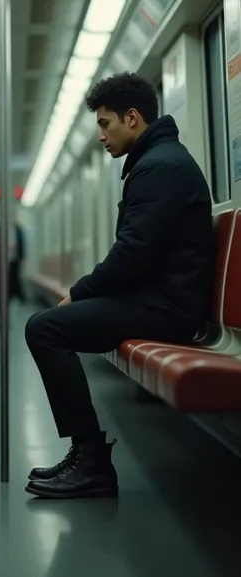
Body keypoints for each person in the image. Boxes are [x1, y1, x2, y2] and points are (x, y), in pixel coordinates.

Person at [24, 72, 214, 500]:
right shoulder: (158, 161)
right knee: (48, 323)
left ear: (132, 118)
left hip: (168, 308)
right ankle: (86, 453)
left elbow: (132, 255)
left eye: (104, 123)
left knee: (45, 328)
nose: (101, 136)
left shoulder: (160, 167)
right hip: (159, 298)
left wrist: (79, 292)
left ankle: (91, 460)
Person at [0, 215, 26, 311]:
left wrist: (21, 260)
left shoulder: (17, 229)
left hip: (13, 264)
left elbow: (22, 246)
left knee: (11, 287)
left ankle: (9, 307)